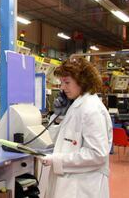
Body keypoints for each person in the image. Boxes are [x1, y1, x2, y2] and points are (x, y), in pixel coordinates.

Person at [41, 58, 113, 198]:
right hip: (70, 184)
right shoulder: (76, 105)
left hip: (83, 187)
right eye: (61, 82)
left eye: (67, 82)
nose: (62, 87)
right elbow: (62, 141)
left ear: (83, 82)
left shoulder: (92, 109)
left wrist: (57, 159)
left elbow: (97, 155)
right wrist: (59, 117)